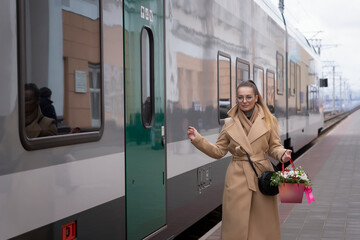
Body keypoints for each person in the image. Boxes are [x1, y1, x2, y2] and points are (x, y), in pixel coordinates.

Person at [187, 80, 292, 240]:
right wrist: (198, 139)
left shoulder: (269, 120)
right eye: (240, 97)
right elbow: (218, 151)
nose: (244, 101)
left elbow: (274, 147)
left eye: (248, 97)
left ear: (256, 97)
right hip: (237, 178)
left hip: (261, 177)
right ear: (236, 98)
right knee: (236, 224)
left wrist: (282, 154)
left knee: (262, 225)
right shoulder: (229, 124)